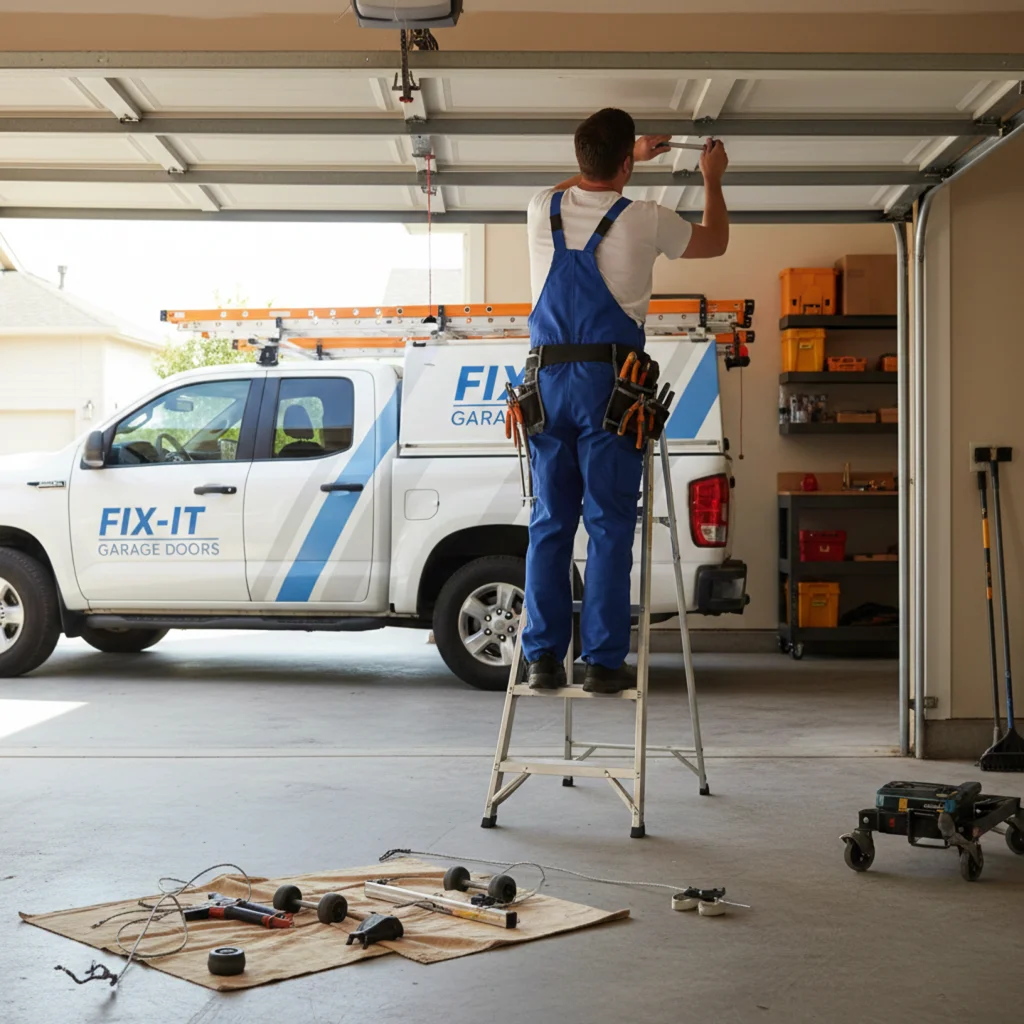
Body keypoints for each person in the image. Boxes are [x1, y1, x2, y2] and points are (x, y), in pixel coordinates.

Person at [521, 106, 730, 694]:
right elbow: (714, 241)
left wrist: (623, 156)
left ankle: (541, 658)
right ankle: (603, 664)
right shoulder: (643, 218)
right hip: (609, 389)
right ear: (623, 163)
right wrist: (711, 178)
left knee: (549, 522)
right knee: (609, 525)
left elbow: (570, 183)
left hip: (544, 384)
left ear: (581, 156)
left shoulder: (542, 209)